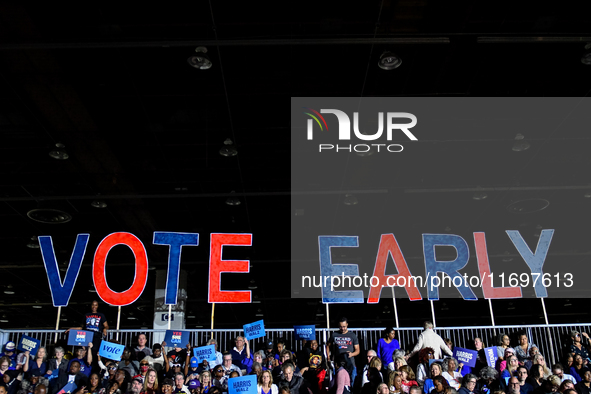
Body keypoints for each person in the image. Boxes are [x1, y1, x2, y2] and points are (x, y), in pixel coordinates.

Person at [327, 318, 359, 382]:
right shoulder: (334, 335)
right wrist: (328, 357)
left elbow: (358, 350)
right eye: (340, 327)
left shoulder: (352, 335)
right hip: (338, 364)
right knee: (338, 382)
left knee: (352, 382)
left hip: (350, 364)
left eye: (344, 326)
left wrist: (351, 354)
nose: (342, 328)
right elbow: (328, 346)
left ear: (347, 325)